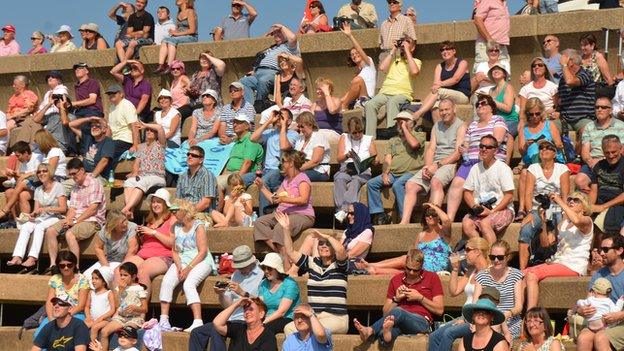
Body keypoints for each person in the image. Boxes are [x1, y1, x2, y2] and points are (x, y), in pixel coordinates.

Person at [353, 248, 444, 346]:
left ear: (422, 266)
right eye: (408, 269)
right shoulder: (396, 280)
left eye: (415, 270)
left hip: (421, 322)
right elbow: (385, 312)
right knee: (388, 328)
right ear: (405, 265)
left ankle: (370, 330)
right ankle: (386, 338)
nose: (411, 273)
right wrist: (396, 299)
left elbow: (439, 310)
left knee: (398, 312)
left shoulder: (432, 277)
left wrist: (420, 298)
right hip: (397, 321)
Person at [279, 212, 350, 334]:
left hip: (337, 319)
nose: (323, 246)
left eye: (327, 244)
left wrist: (325, 236)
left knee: (310, 329)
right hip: (315, 317)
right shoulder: (312, 263)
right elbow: (290, 252)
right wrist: (285, 229)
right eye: (320, 244)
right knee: (289, 328)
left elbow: (341, 250)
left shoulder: (340, 265)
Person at [523, 192, 594, 310]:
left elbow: (576, 220)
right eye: (570, 199)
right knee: (519, 275)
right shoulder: (564, 223)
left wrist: (559, 200)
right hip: (558, 262)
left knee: (532, 274)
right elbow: (546, 245)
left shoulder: (587, 221)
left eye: (576, 200)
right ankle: (517, 312)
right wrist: (543, 223)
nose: (571, 201)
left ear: (584, 207)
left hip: (574, 265)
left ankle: (531, 314)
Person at [445, 94, 509, 223]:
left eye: (483, 103)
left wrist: (483, 151)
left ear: (492, 107)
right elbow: (466, 143)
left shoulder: (498, 120)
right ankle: (449, 219)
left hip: (490, 160)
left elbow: (497, 139)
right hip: (471, 161)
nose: (479, 106)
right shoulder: (473, 125)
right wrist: (464, 149)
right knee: (457, 183)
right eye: (477, 104)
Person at [188, 245, 264, 351]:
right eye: (238, 266)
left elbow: (262, 303)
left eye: (242, 267)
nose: (240, 269)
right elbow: (227, 305)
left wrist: (241, 292)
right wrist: (221, 294)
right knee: (197, 332)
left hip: (246, 319)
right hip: (231, 318)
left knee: (217, 329)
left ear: (251, 262)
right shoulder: (236, 274)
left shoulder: (262, 274)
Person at [401, 99, 465, 224]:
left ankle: (432, 220)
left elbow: (458, 154)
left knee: (436, 182)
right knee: (410, 185)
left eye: (447, 109)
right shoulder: (437, 125)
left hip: (450, 163)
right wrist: (427, 167)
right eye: (441, 110)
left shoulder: (461, 126)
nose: (444, 112)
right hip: (434, 163)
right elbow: (431, 149)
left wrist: (437, 165)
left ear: (454, 109)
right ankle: (404, 221)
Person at [158, 199, 215, 333]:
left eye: (176, 210)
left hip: (201, 261)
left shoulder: (198, 226)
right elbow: (174, 250)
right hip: (181, 260)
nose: (173, 213)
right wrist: (178, 266)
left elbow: (202, 252)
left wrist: (188, 268)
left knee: (189, 283)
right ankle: (164, 320)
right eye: (172, 211)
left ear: (185, 210)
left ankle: (197, 321)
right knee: (166, 281)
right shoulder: (175, 227)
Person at [426, 237, 491, 351]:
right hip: (464, 317)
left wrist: (469, 319)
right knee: (434, 336)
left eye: (467, 249)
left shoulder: (489, 272)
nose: (465, 253)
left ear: (477, 252)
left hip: (477, 319)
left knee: (448, 332)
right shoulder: (471, 271)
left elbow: (485, 302)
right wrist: (455, 270)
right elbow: (453, 291)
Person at [43, 159, 106, 272]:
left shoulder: (94, 183)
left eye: (74, 173)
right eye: (70, 174)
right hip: (77, 218)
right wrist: (67, 220)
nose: (72, 177)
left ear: (82, 170)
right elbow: (72, 208)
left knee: (70, 234)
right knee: (50, 231)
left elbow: (93, 209)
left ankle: (75, 267)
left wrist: (76, 221)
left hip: (93, 220)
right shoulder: (75, 187)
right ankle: (53, 265)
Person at [518, 139, 569, 270]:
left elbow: (565, 195)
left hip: (558, 208)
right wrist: (529, 212)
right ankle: (522, 270)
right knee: (525, 230)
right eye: (541, 148)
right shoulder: (533, 168)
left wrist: (565, 214)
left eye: (548, 147)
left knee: (562, 228)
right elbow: (528, 193)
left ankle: (561, 264)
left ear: (555, 153)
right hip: (537, 209)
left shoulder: (562, 169)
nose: (544, 150)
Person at [7, 163, 67, 273]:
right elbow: (37, 211)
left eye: (44, 171)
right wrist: (32, 216)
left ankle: (32, 258)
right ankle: (17, 256)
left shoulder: (58, 186)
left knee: (39, 227)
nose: (41, 174)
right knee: (26, 226)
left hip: (57, 217)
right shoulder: (38, 189)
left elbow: (63, 208)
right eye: (39, 172)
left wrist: (46, 209)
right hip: (43, 217)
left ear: (50, 173)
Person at [368, 111, 424, 225]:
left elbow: (414, 145)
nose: (399, 124)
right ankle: (379, 214)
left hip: (411, 172)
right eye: (398, 122)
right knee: (371, 183)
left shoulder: (419, 135)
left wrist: (405, 128)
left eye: (402, 121)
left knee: (398, 185)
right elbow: (387, 160)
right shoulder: (393, 140)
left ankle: (405, 217)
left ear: (411, 123)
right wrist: (384, 173)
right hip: (394, 173)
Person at [253, 150, 315, 254]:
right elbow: (274, 199)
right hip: (284, 214)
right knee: (259, 222)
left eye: (284, 161)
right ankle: (282, 254)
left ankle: (285, 259)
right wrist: (262, 187)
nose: (281, 164)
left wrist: (283, 199)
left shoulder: (302, 178)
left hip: (302, 215)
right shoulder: (286, 180)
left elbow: (303, 199)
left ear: (291, 163)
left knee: (280, 226)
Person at [362, 204, 451, 274]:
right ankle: (373, 269)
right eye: (427, 214)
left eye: (433, 214)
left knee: (406, 259)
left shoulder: (443, 233)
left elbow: (446, 220)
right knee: (404, 267)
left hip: (437, 268)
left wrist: (433, 206)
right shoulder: (421, 235)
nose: (430, 217)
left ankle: (370, 264)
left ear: (439, 217)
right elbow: (414, 253)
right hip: (418, 267)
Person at [516, 98, 564, 220]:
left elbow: (559, 144)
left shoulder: (549, 125)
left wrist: (546, 144)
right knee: (524, 174)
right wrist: (527, 145)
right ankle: (522, 209)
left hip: (549, 160)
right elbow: (521, 151)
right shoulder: (524, 129)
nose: (534, 117)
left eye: (537, 114)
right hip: (532, 163)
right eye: (531, 114)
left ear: (541, 112)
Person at [462, 135, 515, 244]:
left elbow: (509, 196)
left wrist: (492, 211)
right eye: (481, 146)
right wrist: (475, 207)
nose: (484, 149)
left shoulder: (503, 168)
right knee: (466, 223)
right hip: (480, 209)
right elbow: (467, 192)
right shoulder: (475, 168)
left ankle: (489, 257)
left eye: (488, 147)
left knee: (485, 223)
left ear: (495, 150)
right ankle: (481, 251)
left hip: (502, 209)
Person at [122, 188, 176, 294]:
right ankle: (119, 306)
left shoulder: (172, 219)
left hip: (163, 256)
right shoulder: (150, 221)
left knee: (142, 271)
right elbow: (146, 244)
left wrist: (154, 233)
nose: (155, 205)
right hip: (143, 255)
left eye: (158, 202)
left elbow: (172, 243)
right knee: (121, 270)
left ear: (166, 204)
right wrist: (141, 234)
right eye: (153, 202)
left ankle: (141, 307)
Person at [364, 36, 420, 136]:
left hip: (402, 94)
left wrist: (407, 50)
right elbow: (382, 68)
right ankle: (370, 138)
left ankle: (392, 134)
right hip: (385, 92)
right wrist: (393, 49)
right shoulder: (394, 60)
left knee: (392, 102)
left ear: (413, 47)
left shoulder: (415, 61)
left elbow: (415, 71)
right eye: (403, 43)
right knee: (369, 105)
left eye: (408, 43)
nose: (404, 45)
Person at [576, 235, 624, 351]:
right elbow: (588, 300)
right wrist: (581, 310)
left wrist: (620, 315)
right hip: (601, 322)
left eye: (606, 249)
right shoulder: (598, 274)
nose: (601, 253)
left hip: (621, 322)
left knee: (601, 338)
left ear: (619, 250)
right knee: (583, 338)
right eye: (600, 249)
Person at [248, 108, 298, 215]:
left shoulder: (293, 134)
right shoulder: (269, 133)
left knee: (263, 182)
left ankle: (263, 218)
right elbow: (252, 138)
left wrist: (284, 126)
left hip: (279, 170)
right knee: (239, 179)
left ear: (289, 121)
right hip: (265, 170)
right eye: (278, 116)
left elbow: (284, 147)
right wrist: (269, 120)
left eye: (282, 117)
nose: (279, 118)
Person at [239, 23, 299, 110]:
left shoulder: (289, 46)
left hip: (273, 71)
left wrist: (281, 26)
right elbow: (255, 43)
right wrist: (268, 32)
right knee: (243, 82)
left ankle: (259, 104)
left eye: (279, 33)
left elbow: (293, 38)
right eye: (275, 34)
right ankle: (250, 108)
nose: (276, 35)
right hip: (258, 71)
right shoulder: (271, 48)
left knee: (264, 81)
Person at [474, 240, 524, 340]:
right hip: (487, 319)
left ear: (508, 257)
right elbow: (476, 303)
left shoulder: (516, 275)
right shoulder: (482, 276)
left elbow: (519, 306)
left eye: (500, 257)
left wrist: (506, 314)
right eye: (492, 257)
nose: (496, 260)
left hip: (510, 321)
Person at [34, 251, 89, 339]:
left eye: (69, 265)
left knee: (67, 337)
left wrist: (64, 316)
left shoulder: (82, 279)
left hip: (76, 314)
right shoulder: (55, 279)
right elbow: (49, 302)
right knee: (39, 335)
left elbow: (81, 305)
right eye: (62, 266)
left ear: (74, 265)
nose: (66, 268)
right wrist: (52, 319)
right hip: (56, 314)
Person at [412, 41, 470, 124]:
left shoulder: (462, 63)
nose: (445, 52)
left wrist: (440, 84)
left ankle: (418, 113)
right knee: (436, 105)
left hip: (462, 96)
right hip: (444, 96)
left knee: (438, 91)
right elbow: (436, 84)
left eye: (448, 49)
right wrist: (436, 86)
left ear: (454, 51)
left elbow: (455, 79)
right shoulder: (439, 66)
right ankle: (439, 131)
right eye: (442, 50)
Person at [120, 123, 166, 219]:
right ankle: (130, 211)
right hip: (143, 176)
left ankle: (126, 208)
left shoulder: (160, 144)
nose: (148, 131)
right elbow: (137, 163)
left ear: (156, 134)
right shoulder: (141, 147)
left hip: (157, 176)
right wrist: (134, 173)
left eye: (151, 130)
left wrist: (145, 125)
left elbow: (160, 128)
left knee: (141, 182)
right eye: (147, 130)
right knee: (129, 182)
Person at [576, 98, 624, 192]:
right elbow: (585, 152)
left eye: (603, 107)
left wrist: (603, 161)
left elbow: (622, 150)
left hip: (614, 160)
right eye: (597, 107)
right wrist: (591, 162)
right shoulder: (589, 126)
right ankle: (593, 202)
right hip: (593, 163)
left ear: (610, 110)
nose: (599, 109)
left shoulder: (621, 126)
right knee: (580, 181)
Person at [82, 210, 138, 288]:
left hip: (123, 261)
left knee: (103, 274)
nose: (125, 223)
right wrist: (105, 264)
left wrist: (122, 266)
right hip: (109, 260)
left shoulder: (132, 227)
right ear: (113, 225)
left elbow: (132, 249)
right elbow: (98, 247)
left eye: (125, 220)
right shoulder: (106, 229)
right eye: (122, 222)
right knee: (86, 275)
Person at [98, 262, 147, 351]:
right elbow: (117, 305)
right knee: (104, 331)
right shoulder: (119, 288)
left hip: (134, 318)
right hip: (120, 317)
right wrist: (120, 291)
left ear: (134, 276)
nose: (122, 277)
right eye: (121, 275)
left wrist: (135, 308)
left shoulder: (139, 289)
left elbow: (145, 309)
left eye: (125, 275)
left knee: (126, 331)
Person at [333, 116, 377, 216]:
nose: (357, 134)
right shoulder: (344, 137)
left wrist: (374, 161)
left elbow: (375, 158)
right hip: (347, 168)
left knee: (355, 182)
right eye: (354, 133)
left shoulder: (368, 139)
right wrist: (347, 155)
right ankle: (342, 209)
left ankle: (345, 210)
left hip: (362, 170)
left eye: (360, 131)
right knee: (339, 179)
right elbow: (339, 159)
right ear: (349, 131)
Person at [217, 114, 264, 199]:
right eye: (234, 123)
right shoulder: (237, 141)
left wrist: (236, 180)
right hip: (230, 172)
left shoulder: (251, 140)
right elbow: (230, 162)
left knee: (217, 183)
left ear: (247, 126)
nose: (234, 125)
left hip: (241, 173)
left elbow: (247, 163)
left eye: (238, 123)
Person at [257, 252, 301, 334]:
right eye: (264, 268)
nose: (266, 271)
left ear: (277, 269)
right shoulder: (264, 283)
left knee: (265, 330)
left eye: (269, 268)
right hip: (268, 317)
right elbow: (260, 304)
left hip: (288, 318)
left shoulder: (290, 284)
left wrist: (262, 322)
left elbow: (281, 312)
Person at [555, 49, 596, 135]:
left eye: (562, 61)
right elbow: (561, 101)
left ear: (571, 62)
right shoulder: (563, 80)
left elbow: (570, 82)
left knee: (585, 134)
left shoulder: (585, 74)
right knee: (550, 129)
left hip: (583, 118)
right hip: (566, 120)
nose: (560, 64)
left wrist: (564, 65)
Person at [589, 135, 624, 235]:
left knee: (602, 225)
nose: (611, 155)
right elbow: (593, 190)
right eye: (607, 152)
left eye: (614, 152)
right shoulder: (599, 165)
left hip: (617, 204)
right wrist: (589, 207)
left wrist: (603, 207)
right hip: (600, 202)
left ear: (620, 148)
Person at [213, 297, 278, 351]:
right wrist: (237, 304)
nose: (247, 312)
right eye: (245, 310)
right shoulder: (238, 329)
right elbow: (217, 323)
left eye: (251, 309)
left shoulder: (268, 336)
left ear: (261, 314)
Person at [339, 22, 376, 110]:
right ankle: (344, 105)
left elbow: (359, 48)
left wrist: (350, 36)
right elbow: (349, 94)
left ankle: (344, 106)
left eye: (356, 53)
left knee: (357, 80)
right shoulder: (358, 74)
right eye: (352, 55)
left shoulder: (369, 63)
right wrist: (337, 101)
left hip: (368, 99)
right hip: (358, 101)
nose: (355, 55)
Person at [154, 0, 197, 74]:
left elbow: (192, 30)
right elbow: (177, 29)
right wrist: (173, 32)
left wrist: (177, 34)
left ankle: (169, 66)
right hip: (180, 37)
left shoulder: (190, 11)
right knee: (164, 40)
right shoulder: (179, 13)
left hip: (190, 37)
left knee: (171, 41)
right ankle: (161, 65)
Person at [175, 146, 218, 213]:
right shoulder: (182, 177)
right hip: (183, 214)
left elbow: (205, 203)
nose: (189, 157)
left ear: (201, 160)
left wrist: (188, 214)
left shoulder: (207, 175)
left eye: (194, 155)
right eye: (188, 154)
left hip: (201, 214)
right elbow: (178, 200)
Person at [103, 84, 141, 160]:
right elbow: (110, 128)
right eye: (109, 94)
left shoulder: (127, 105)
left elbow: (134, 125)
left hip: (126, 140)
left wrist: (135, 145)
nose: (111, 95)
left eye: (114, 93)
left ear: (121, 94)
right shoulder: (112, 107)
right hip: (115, 140)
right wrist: (103, 142)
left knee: (106, 152)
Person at [518, 57, 559, 123]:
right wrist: (521, 123)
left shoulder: (553, 87)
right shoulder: (525, 89)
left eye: (540, 65)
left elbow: (557, 107)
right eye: (534, 66)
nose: (537, 67)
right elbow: (522, 110)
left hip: (549, 120)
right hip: (531, 120)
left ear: (545, 68)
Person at [293, 112, 331, 182]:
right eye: (299, 127)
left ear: (310, 124)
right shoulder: (300, 139)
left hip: (319, 170)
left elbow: (315, 161)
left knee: (296, 177)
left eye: (302, 126)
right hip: (303, 168)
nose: (300, 129)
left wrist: (295, 170)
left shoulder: (319, 136)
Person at [473, 0, 510, 67]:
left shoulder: (504, 3)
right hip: (486, 45)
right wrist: (489, 39)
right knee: (483, 74)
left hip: (502, 46)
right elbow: (477, 20)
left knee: (504, 74)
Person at [488, 64, 519, 137]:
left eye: (499, 69)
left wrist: (491, 100)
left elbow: (508, 108)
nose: (495, 71)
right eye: (493, 69)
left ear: (504, 74)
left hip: (509, 120)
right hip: (495, 122)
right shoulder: (491, 90)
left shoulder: (508, 87)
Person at [84, 269, 115, 342]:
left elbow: (112, 309)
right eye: (92, 278)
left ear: (104, 281)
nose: (93, 281)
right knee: (81, 326)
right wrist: (88, 317)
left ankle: (93, 347)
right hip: (92, 319)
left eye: (96, 278)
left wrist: (101, 318)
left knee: (95, 328)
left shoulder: (109, 293)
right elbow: (87, 307)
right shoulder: (91, 292)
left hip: (105, 320)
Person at [310, 77, 343, 143]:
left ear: (329, 89)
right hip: (318, 133)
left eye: (320, 89)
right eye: (317, 89)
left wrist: (327, 94)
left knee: (319, 136)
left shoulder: (336, 100)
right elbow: (310, 121)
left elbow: (332, 110)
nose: (317, 91)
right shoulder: (315, 104)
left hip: (333, 133)